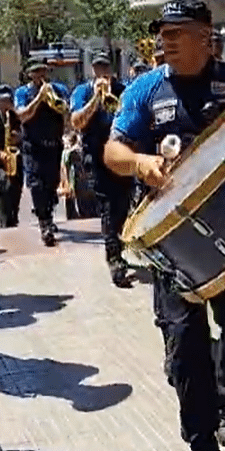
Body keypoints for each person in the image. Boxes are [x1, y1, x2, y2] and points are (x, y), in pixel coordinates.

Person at [105, 0, 225, 451]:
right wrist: (140, 164)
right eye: (163, 33)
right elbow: (113, 149)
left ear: (206, 34)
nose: (166, 40)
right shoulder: (145, 90)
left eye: (178, 32)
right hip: (173, 243)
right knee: (185, 345)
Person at [70, 52, 134, 288]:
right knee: (107, 207)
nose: (102, 72)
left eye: (105, 67)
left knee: (124, 205)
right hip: (96, 156)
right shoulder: (82, 91)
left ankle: (120, 245)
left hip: (122, 154)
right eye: (98, 67)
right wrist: (96, 99)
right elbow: (76, 122)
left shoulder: (124, 89)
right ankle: (115, 260)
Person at [15, 58, 70, 246]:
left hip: (53, 145)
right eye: (36, 72)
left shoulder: (58, 89)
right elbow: (22, 116)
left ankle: (47, 215)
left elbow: (65, 111)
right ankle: (45, 224)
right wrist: (39, 98)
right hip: (33, 147)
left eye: (43, 71)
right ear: (30, 74)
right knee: (36, 185)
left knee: (51, 185)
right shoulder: (23, 92)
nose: (40, 75)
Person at [0, 86, 24, 228]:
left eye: (8, 100)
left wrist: (19, 138)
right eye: (2, 100)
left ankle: (13, 221)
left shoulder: (15, 116)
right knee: (3, 187)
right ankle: (3, 224)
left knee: (15, 192)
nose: (6, 103)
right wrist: (0, 154)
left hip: (15, 161)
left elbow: (25, 133)